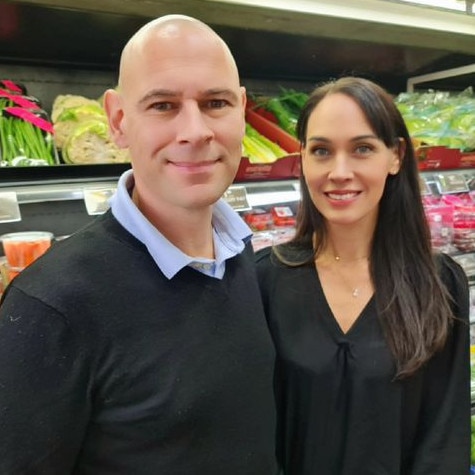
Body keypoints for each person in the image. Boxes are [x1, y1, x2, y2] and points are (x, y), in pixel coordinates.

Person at [0, 15, 277, 474]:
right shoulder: (51, 307)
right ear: (119, 120)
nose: (196, 131)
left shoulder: (242, 257)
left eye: (216, 102)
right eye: (164, 105)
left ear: (242, 110)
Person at [256, 77, 471, 474]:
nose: (340, 172)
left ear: (396, 156)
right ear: (301, 158)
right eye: (321, 150)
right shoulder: (264, 281)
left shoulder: (440, 284)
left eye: (362, 149)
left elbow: (444, 438)